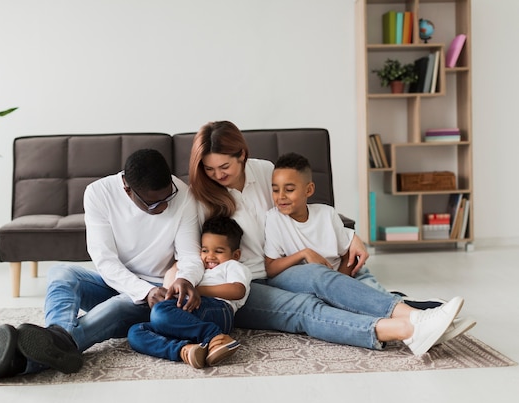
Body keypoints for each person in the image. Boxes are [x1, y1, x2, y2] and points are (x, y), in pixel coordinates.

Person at [187, 120, 469, 354]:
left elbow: (299, 206)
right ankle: (408, 330)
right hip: (243, 281)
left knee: (319, 276)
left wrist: (350, 235)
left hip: (280, 268)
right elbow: (191, 251)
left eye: (224, 167)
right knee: (305, 308)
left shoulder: (264, 171)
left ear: (242, 155)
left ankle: (416, 316)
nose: (217, 175)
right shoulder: (202, 197)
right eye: (209, 169)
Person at [0, 148, 205, 381]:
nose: (164, 207)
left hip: (159, 295)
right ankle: (59, 336)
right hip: (120, 283)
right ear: (127, 190)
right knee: (60, 272)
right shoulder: (98, 193)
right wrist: (143, 290)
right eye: (153, 205)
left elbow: (190, 256)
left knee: (116, 307)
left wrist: (185, 279)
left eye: (168, 198)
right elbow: (104, 260)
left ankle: (21, 362)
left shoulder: (183, 195)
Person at [264, 152, 476, 342]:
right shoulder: (274, 220)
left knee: (374, 297)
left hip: (346, 276)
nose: (280, 196)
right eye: (275, 190)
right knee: (365, 306)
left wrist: (343, 284)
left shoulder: (326, 214)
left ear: (308, 190)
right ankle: (421, 317)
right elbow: (271, 268)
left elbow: (348, 252)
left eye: (289, 189)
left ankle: (425, 318)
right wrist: (304, 254)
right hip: (315, 283)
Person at [128, 216, 252, 369]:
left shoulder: (232, 266)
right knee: (136, 331)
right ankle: (185, 350)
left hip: (217, 309)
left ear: (236, 255)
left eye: (218, 251)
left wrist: (196, 290)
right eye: (205, 250)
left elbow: (238, 290)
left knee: (160, 312)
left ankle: (215, 335)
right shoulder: (198, 268)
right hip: (189, 317)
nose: (210, 256)